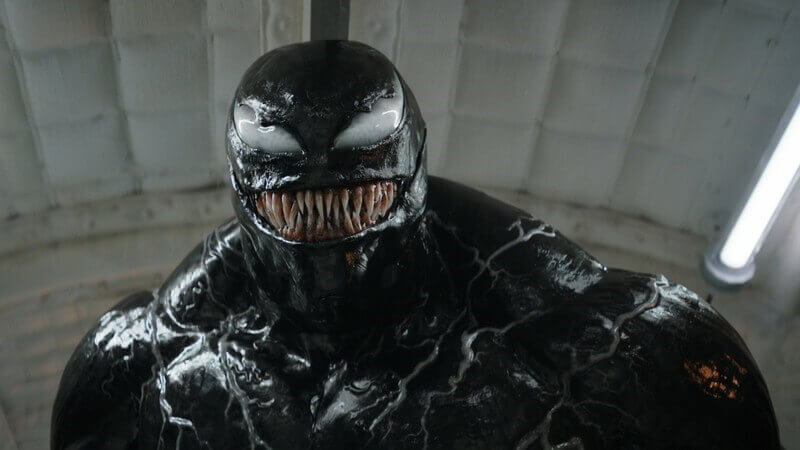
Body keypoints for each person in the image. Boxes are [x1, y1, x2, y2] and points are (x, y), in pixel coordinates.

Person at [52, 40, 780, 449]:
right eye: (288, 169)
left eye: (355, 162)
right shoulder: (142, 364)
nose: (320, 170)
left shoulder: (615, 346)